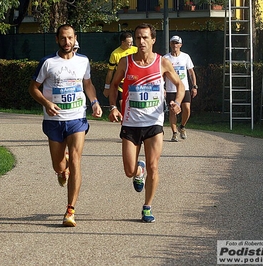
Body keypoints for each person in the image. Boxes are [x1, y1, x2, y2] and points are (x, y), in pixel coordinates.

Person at [108, 23, 185, 223]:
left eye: (145, 38)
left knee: (154, 166)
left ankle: (147, 207)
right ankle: (137, 170)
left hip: (154, 123)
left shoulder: (162, 63)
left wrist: (177, 102)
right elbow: (114, 85)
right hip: (131, 123)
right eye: (138, 38)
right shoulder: (126, 62)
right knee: (129, 171)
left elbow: (180, 85)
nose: (141, 42)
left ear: (153, 40)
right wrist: (113, 107)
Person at [29, 24, 102, 227]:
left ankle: (70, 210)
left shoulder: (83, 61)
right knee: (58, 165)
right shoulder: (47, 63)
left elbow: (87, 84)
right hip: (54, 120)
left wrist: (94, 102)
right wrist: (47, 103)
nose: (67, 42)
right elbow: (33, 88)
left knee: (77, 161)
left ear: (75, 38)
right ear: (57, 39)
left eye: (70, 38)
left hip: (77, 118)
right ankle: (63, 170)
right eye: (63, 38)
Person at [164, 35, 198, 142]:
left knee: (187, 109)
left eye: (177, 43)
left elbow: (191, 72)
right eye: (173, 43)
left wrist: (194, 86)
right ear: (170, 44)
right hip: (171, 89)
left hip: (184, 88)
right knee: (172, 111)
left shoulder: (185, 57)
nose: (175, 45)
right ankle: (174, 133)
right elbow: (162, 74)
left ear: (181, 45)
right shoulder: (165, 58)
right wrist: (163, 87)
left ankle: (182, 126)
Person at [103, 31, 138, 107]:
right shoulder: (115, 54)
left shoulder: (136, 50)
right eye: (129, 42)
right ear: (123, 42)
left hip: (134, 81)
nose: (131, 44)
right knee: (123, 104)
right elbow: (110, 71)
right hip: (121, 83)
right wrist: (107, 87)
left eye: (132, 42)